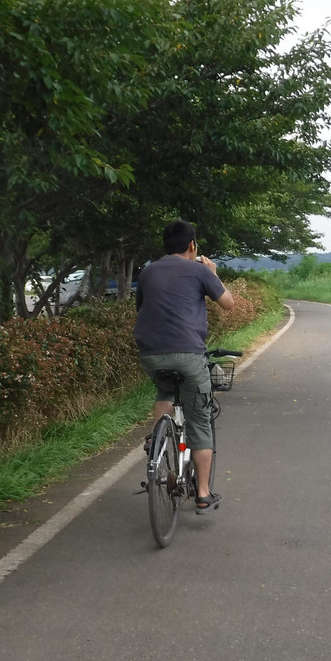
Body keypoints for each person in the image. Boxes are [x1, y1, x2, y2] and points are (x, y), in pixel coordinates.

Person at [134, 219, 235, 514]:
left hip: (151, 354)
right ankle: (203, 493)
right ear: (192, 246)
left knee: (165, 389)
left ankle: (157, 442)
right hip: (188, 355)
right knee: (200, 421)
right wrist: (213, 274)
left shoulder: (148, 271)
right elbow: (228, 304)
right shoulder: (200, 270)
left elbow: (142, 308)